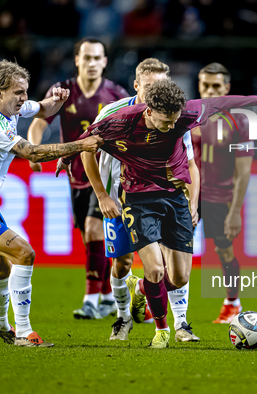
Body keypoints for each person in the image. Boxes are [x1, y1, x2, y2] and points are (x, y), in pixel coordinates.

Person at [57, 79, 257, 348]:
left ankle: (139, 288)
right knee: (154, 269)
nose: (171, 126)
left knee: (179, 278)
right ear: (149, 111)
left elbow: (224, 103)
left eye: (175, 120)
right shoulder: (122, 121)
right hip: (138, 198)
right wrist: (66, 157)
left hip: (175, 198)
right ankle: (162, 330)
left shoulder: (187, 113)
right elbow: (86, 140)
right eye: (165, 121)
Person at [0, 60, 103, 347]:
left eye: (25, 91)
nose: (23, 98)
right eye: (18, 92)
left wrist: (55, 100)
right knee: (25, 253)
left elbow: (43, 108)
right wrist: (80, 145)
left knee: (1, 270)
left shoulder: (9, 106)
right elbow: (31, 152)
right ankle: (23, 331)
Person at [81, 58, 201, 342]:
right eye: (148, 87)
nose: (154, 93)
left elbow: (190, 162)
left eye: (160, 87)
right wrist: (101, 195)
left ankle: (181, 323)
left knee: (169, 268)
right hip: (118, 200)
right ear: (136, 85)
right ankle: (123, 318)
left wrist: (192, 201)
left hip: (159, 197)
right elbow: (87, 147)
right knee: (121, 264)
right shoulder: (114, 113)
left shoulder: (171, 116)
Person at [27, 38, 129, 320]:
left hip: (107, 176)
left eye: (98, 58)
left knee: (96, 231)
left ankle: (90, 300)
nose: (92, 63)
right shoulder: (63, 92)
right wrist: (34, 152)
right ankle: (109, 296)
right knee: (91, 240)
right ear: (77, 60)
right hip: (74, 176)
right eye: (87, 58)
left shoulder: (116, 94)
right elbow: (38, 123)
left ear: (105, 61)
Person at [191, 63, 253, 324]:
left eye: (216, 86)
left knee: (224, 251)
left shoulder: (239, 121)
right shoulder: (188, 115)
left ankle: (232, 302)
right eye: (205, 85)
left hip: (220, 198)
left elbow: (243, 171)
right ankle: (163, 308)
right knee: (171, 251)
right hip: (188, 197)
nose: (210, 90)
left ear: (227, 88)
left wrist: (235, 212)